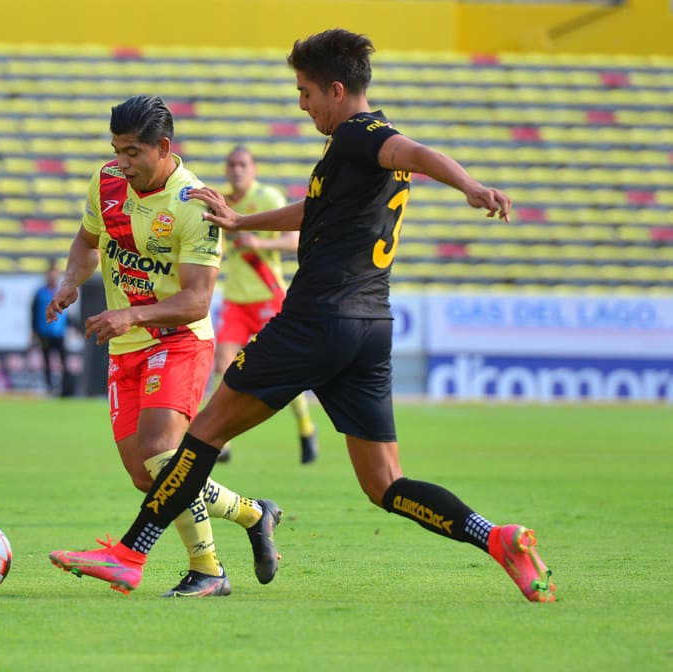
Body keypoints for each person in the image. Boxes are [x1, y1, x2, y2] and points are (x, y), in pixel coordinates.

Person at [48, 30, 557, 603]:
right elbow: (316, 208)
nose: (302, 103)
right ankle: (496, 539)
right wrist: (242, 223)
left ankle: (130, 554)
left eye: (306, 91)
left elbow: (413, 151)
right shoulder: (351, 155)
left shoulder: (361, 134)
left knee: (201, 435)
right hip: (370, 328)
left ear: (337, 90)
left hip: (316, 320)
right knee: (385, 484)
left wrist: (469, 184)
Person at [46, 95, 281, 597]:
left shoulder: (193, 203)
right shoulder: (106, 180)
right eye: (116, 150)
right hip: (123, 346)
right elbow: (87, 242)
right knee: (146, 475)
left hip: (177, 341)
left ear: (163, 147)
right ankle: (254, 513)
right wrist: (70, 282)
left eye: (133, 152)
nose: (122, 162)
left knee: (160, 452)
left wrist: (131, 312)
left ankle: (208, 571)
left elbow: (197, 301)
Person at [212, 146, 317, 464]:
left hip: (268, 297)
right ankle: (222, 441)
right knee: (223, 366)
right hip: (235, 299)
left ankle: (305, 427)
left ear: (254, 169)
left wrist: (260, 242)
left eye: (243, 164)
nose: (237, 170)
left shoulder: (268, 197)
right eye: (231, 164)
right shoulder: (223, 203)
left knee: (284, 371)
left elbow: (296, 239)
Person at [30, 262, 71, 395]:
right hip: (44, 332)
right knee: (46, 361)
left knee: (64, 361)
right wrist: (33, 331)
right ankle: (49, 388)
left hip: (59, 333)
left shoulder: (61, 292)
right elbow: (33, 312)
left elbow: (67, 313)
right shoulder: (40, 293)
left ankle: (65, 390)